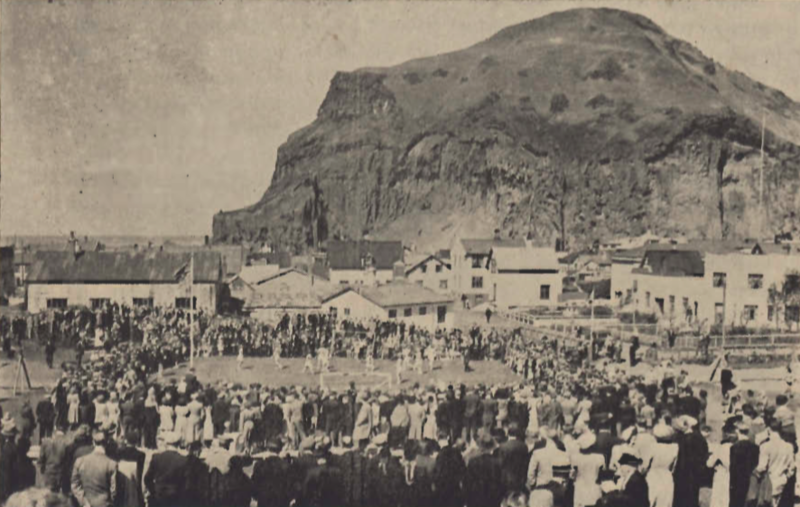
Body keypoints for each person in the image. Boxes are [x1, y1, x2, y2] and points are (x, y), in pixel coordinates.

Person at [70, 427, 118, 507]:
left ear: (93, 442)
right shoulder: (112, 464)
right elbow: (114, 491)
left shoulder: (80, 461)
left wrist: (84, 502)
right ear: (107, 442)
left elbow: (74, 485)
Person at [144, 431, 191, 507]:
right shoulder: (184, 460)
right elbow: (187, 484)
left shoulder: (156, 457)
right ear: (178, 444)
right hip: (176, 498)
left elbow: (147, 478)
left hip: (158, 497)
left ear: (166, 443)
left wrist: (154, 491)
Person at [643, 422, 678, 507]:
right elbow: (674, 466)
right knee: (665, 502)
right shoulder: (674, 448)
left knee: (650, 500)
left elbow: (645, 465)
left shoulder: (653, 447)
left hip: (653, 475)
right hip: (667, 476)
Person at [730, 423, 760, 507]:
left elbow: (733, 467)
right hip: (751, 479)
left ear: (737, 431)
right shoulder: (755, 447)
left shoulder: (734, 447)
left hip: (737, 480)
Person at [572, 432, 605, 507]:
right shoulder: (599, 457)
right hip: (594, 487)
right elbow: (601, 474)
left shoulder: (576, 458)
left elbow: (574, 474)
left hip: (580, 488)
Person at [39, 425, 71, 494]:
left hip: (48, 472)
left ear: (55, 432)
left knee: (47, 494)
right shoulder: (67, 443)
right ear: (65, 432)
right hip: (60, 473)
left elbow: (41, 459)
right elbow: (68, 461)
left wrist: (42, 469)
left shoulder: (46, 442)